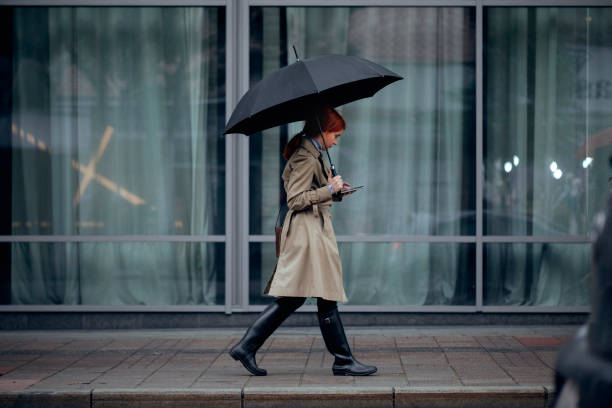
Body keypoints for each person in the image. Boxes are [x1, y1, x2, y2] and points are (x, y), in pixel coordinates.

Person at [229, 106, 377, 377]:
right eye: (336, 135)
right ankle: (343, 360)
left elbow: (311, 193)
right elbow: (295, 199)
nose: (336, 140)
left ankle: (246, 347)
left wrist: (336, 191)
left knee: (296, 299)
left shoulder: (312, 154)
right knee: (324, 295)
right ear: (323, 131)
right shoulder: (305, 157)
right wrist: (328, 189)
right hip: (307, 236)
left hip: (311, 233)